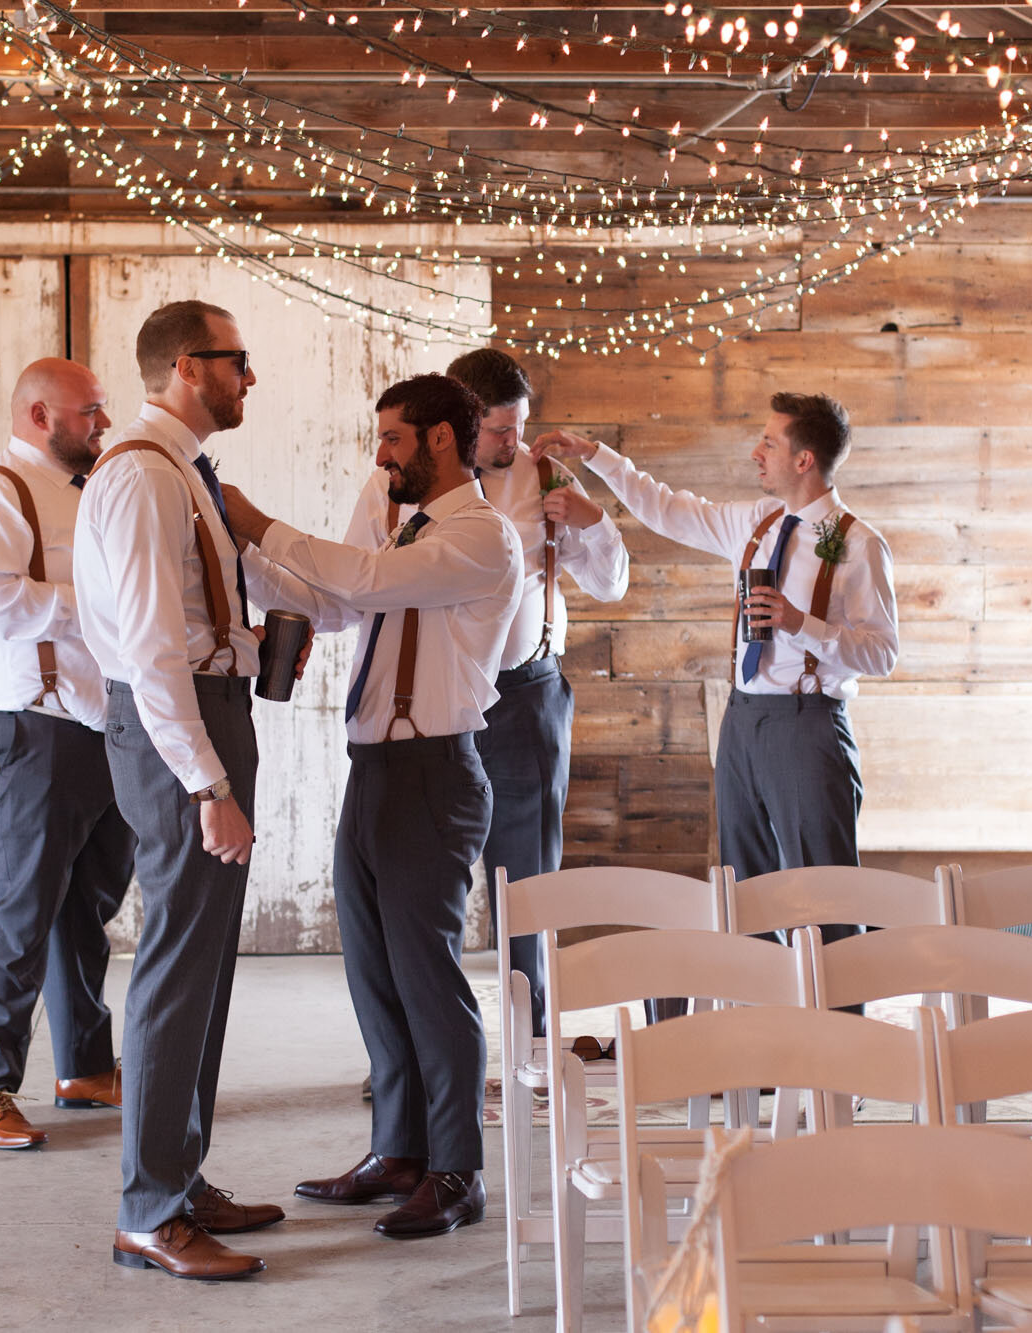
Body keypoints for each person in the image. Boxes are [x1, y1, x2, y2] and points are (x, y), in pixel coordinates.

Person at [223, 373, 522, 1240]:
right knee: (372, 968)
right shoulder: (391, 505)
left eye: (391, 438)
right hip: (372, 765)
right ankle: (398, 1150)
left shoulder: (483, 537)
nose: (378, 453)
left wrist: (254, 519)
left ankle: (456, 1170)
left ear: (437, 439)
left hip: (435, 770)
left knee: (428, 977)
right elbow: (339, 597)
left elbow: (366, 575)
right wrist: (245, 560)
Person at [537, 393, 897, 1012]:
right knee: (747, 886)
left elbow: (882, 653)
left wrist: (800, 623)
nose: (757, 452)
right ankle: (758, 1041)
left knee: (823, 887)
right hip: (744, 720)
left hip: (808, 725)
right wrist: (594, 455)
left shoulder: (859, 544)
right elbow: (668, 509)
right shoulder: (756, 522)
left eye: (770, 443)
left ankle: (843, 1048)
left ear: (805, 459)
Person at [74, 301, 295, 1280]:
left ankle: (179, 1170)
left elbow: (192, 631)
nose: (250, 377)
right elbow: (152, 653)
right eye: (235, 361)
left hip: (209, 709)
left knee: (201, 962)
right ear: (181, 368)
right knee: (174, 963)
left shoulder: (184, 472)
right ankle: (149, 1210)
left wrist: (257, 645)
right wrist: (205, 780)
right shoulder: (138, 476)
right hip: (180, 730)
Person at [0, 357, 136, 1151]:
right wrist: (91, 609)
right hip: (28, 731)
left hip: (95, 724)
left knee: (88, 905)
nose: (104, 424)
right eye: (90, 412)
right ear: (41, 417)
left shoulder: (88, 494)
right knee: (21, 907)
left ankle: (84, 1065)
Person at [424, 348, 630, 1038]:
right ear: (459, 419)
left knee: (530, 876)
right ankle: (429, 1043)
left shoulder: (545, 478)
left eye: (518, 428)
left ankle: (531, 1035)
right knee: (429, 879)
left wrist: (593, 520)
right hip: (439, 697)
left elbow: (610, 585)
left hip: (527, 695)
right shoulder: (413, 480)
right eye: (499, 431)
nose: (513, 443)